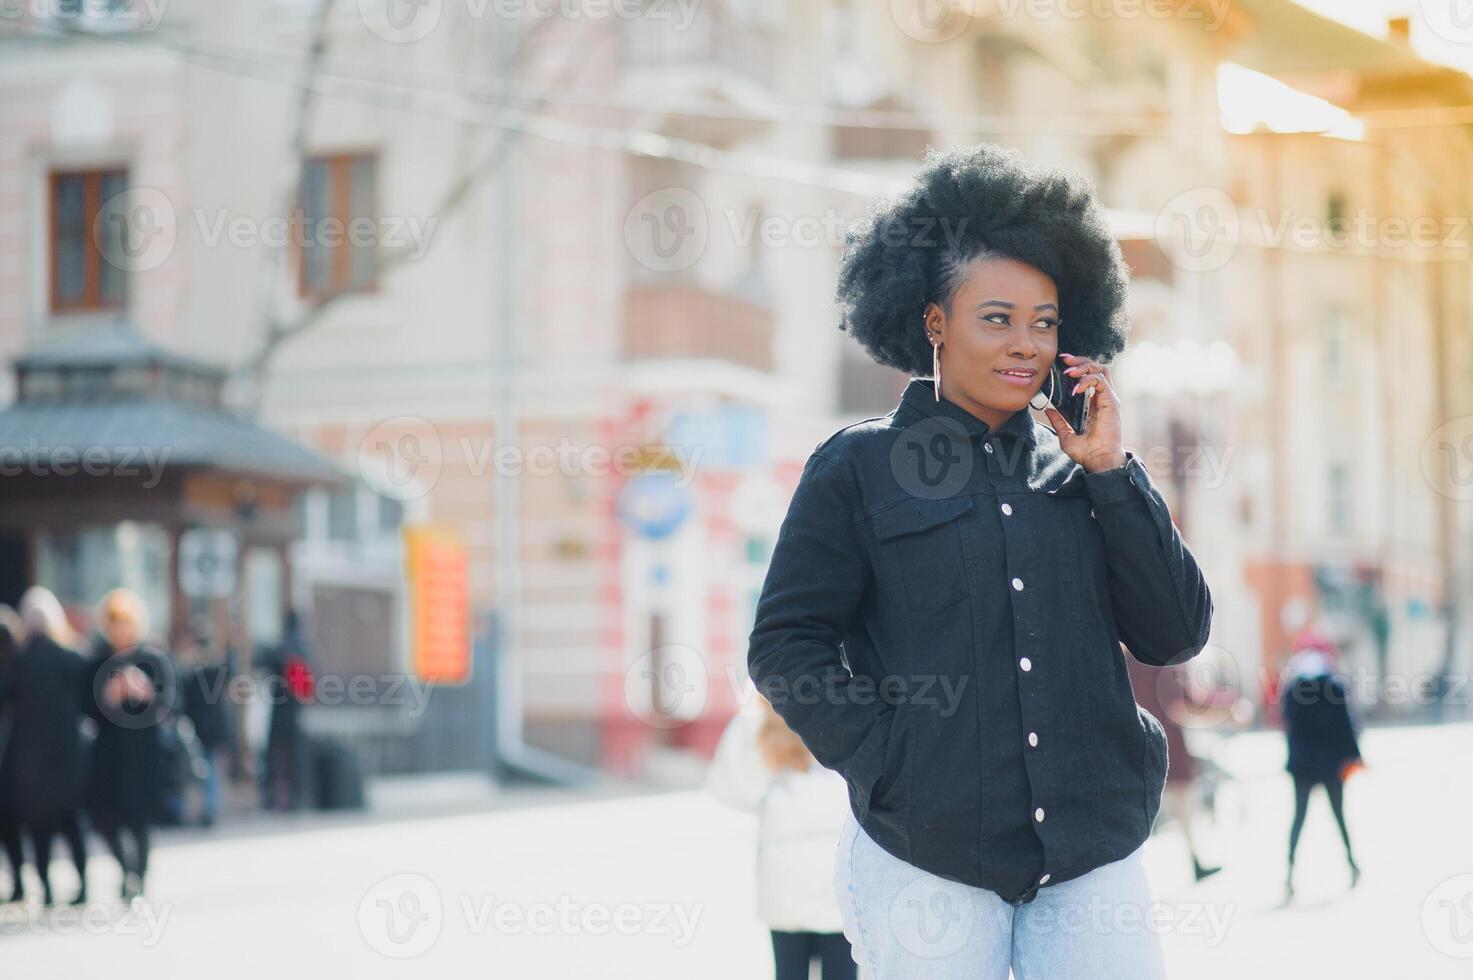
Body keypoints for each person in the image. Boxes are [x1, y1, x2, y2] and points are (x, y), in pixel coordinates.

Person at [747, 143, 1213, 978]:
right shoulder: (855, 468)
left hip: (1091, 853)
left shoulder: (1083, 470)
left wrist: (1112, 470)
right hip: (928, 856)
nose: (1023, 345)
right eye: (995, 318)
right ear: (933, 322)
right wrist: (890, 759)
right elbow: (785, 646)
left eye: (1043, 323)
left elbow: (1174, 633)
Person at [708, 692, 856, 980]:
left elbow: (730, 789)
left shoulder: (754, 725)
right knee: (842, 971)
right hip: (838, 874)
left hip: (784, 876)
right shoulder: (847, 712)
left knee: (789, 972)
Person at [2, 588, 90, 906]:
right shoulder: (71, 657)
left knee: (41, 826)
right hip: (63, 755)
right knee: (69, 822)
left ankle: (47, 890)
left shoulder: (21, 662)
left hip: (34, 759)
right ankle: (82, 885)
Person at [86, 589, 175, 901]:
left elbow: (169, 705)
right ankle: (126, 870)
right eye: (114, 624)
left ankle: (139, 878)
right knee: (105, 818)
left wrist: (143, 692)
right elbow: (86, 708)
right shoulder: (98, 661)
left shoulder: (152, 659)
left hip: (143, 754)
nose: (120, 631)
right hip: (109, 754)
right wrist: (110, 695)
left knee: (140, 820)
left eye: (125, 623)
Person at [1125, 654, 1222, 882]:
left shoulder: (1125, 660)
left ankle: (1193, 861)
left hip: (1134, 747)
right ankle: (1194, 862)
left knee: (1143, 815)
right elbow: (1180, 705)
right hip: (1165, 748)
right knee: (1181, 810)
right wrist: (1224, 711)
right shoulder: (1164, 660)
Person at [1281, 629, 1362, 900]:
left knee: (1299, 819)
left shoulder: (1292, 687)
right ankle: (1352, 865)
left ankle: (1289, 875)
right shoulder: (1335, 685)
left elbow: (1287, 727)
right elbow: (1347, 727)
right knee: (1339, 817)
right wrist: (1354, 756)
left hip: (1303, 766)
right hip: (1331, 765)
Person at [0, 604, 28, 901]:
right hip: (14, 760)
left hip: (13, 759)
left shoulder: (19, 670)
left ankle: (19, 880)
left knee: (10, 824)